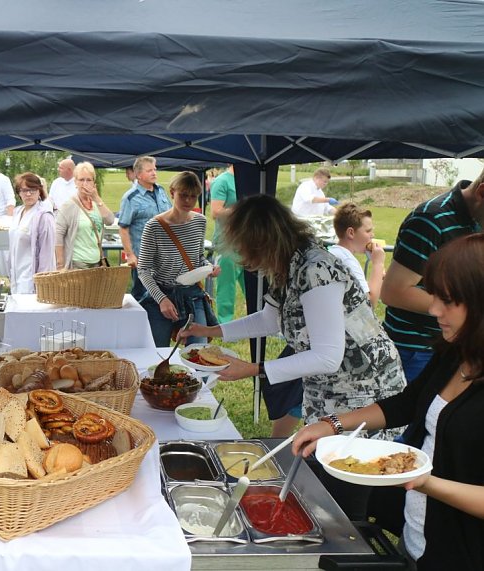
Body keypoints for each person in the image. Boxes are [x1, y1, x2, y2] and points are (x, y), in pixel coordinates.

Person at [179, 195, 406, 518]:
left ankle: (353, 533)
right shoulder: (289, 265)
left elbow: (327, 356)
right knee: (327, 477)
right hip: (331, 390)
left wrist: (254, 368)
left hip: (363, 391)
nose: (243, 257)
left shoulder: (315, 269)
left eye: (245, 247)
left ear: (263, 241)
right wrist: (211, 330)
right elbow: (268, 320)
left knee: (348, 483)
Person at [293, 233, 484, 571]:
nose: (433, 309)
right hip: (419, 536)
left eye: (448, 300)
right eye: (434, 296)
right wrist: (332, 424)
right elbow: (407, 403)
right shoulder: (457, 351)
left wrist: (424, 481)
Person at [382, 170, 484, 384]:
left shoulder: (477, 218)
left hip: (456, 343)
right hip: (416, 349)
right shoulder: (430, 219)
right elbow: (394, 292)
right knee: (417, 405)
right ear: (482, 192)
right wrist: (470, 307)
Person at [137, 172, 219, 346]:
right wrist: (162, 299)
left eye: (193, 196)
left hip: (191, 296)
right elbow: (143, 270)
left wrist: (208, 267)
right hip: (162, 294)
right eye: (183, 195)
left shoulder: (200, 222)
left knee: (198, 350)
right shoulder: (154, 226)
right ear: (172, 192)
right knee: (157, 352)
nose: (188, 200)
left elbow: (198, 257)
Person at [118, 156, 172, 300]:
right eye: (149, 170)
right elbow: (123, 228)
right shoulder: (130, 198)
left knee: (166, 296)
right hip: (143, 260)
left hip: (165, 257)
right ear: (139, 175)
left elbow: (171, 216)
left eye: (155, 169)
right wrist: (130, 255)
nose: (154, 173)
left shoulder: (161, 191)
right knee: (143, 299)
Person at [55, 162, 114, 270]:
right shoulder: (68, 206)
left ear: (94, 183)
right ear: (75, 182)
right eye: (81, 180)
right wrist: (60, 264)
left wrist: (97, 198)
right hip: (77, 262)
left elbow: (110, 220)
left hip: (97, 261)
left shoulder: (97, 204)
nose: (85, 183)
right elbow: (58, 235)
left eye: (89, 180)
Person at [329, 202, 386, 309]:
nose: (372, 235)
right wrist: (378, 264)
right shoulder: (347, 261)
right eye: (368, 231)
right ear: (351, 233)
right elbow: (369, 304)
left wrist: (379, 275)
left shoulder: (334, 252)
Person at [209, 164, 245, 323]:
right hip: (227, 242)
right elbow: (215, 212)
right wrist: (242, 210)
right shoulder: (222, 181)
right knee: (227, 285)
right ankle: (225, 324)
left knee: (253, 283)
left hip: (247, 241)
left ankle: (259, 319)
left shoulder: (249, 179)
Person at [9, 172, 55, 293]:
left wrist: (42, 283)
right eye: (24, 190)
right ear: (19, 192)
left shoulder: (44, 216)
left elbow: (47, 253)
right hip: (16, 275)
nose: (28, 194)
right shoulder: (17, 212)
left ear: (39, 191)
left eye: (32, 190)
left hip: (31, 278)